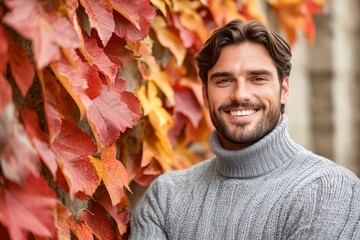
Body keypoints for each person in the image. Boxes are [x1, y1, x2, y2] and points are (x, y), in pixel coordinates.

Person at [129, 19, 360, 239]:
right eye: (224, 81)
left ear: (284, 89)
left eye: (258, 79)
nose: (240, 94)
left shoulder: (328, 190)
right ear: (205, 95)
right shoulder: (166, 198)